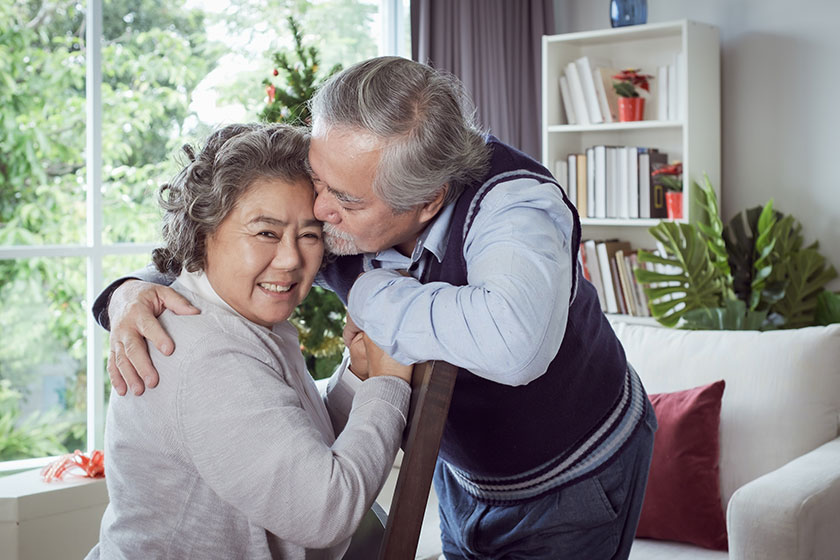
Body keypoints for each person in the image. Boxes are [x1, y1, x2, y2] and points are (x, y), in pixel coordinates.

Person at [95, 57, 657, 559]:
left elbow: (514, 345)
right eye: (318, 179)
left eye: (345, 200)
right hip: (465, 476)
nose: (318, 209)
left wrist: (371, 295)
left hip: (576, 475)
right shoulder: (335, 184)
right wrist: (125, 295)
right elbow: (214, 235)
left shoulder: (514, 207)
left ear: (426, 200)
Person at [87, 123, 412, 560]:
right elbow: (325, 512)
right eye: (266, 233)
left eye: (309, 235)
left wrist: (358, 376)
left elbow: (286, 441)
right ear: (204, 231)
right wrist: (389, 383)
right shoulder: (204, 351)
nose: (292, 259)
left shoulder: (241, 318)